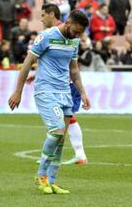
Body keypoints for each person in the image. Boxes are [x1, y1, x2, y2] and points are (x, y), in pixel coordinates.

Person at [8, 10, 90, 194]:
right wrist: (18, 91)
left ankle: (52, 181)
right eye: (76, 31)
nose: (77, 36)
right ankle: (41, 175)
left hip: (65, 92)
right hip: (45, 90)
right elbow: (28, 63)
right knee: (56, 132)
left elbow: (74, 69)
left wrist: (83, 92)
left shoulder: (74, 41)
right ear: (68, 22)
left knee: (61, 139)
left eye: (80, 33)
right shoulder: (46, 36)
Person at [38, 4, 89, 166]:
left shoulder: (66, 32)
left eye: (43, 15)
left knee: (65, 122)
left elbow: (70, 65)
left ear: (52, 15)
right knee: (58, 125)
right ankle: (56, 159)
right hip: (56, 84)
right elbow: (53, 60)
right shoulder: (53, 34)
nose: (41, 19)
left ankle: (77, 154)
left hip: (65, 85)